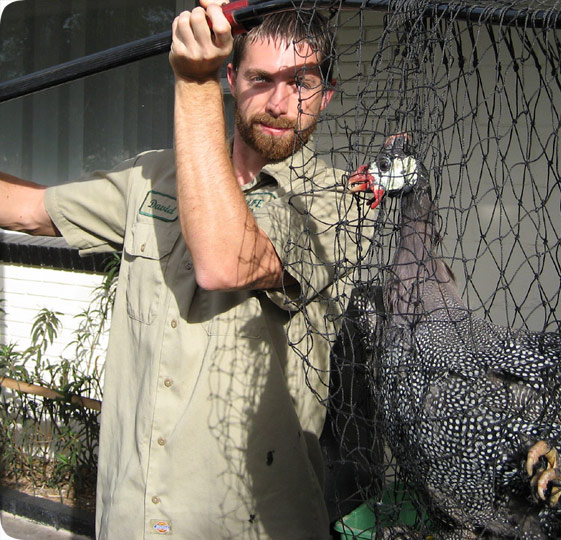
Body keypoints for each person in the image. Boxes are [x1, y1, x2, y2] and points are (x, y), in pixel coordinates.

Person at [0, 2, 367, 538]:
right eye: (261, 79)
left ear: (326, 95)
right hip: (129, 519)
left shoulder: (341, 202)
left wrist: (190, 84)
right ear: (232, 79)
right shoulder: (153, 176)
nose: (281, 102)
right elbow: (30, 212)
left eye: (302, 83)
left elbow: (225, 263)